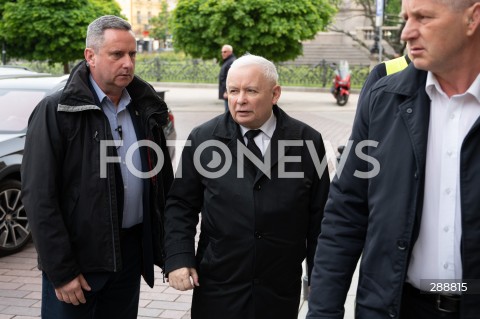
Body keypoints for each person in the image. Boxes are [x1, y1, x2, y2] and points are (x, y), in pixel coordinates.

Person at [307, 0, 480, 318]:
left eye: (423, 18)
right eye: (405, 18)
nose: (406, 32)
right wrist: (322, 311)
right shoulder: (383, 99)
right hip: (395, 307)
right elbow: (346, 212)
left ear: (473, 17)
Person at [21, 15, 174, 319]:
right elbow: (39, 197)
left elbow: (162, 184)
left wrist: (168, 249)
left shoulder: (145, 108)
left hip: (129, 257)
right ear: (90, 56)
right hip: (79, 262)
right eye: (117, 55)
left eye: (132, 54)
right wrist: (61, 270)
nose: (128, 63)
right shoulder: (57, 110)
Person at [164, 54, 330, 318]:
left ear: (275, 94)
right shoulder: (203, 139)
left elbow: (319, 218)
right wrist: (178, 258)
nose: (240, 100)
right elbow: (180, 204)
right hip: (218, 285)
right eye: (233, 91)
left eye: (251, 91)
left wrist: (321, 282)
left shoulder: (307, 141)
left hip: (278, 290)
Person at [218, 44, 236, 112]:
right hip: (227, 92)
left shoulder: (231, 62)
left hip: (228, 93)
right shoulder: (228, 61)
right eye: (222, 52)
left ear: (230, 52)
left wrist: (227, 91)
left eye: (225, 52)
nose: (222, 53)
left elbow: (232, 78)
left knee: (229, 113)